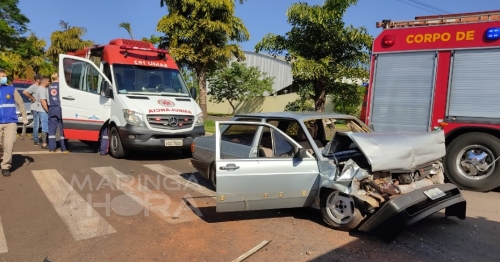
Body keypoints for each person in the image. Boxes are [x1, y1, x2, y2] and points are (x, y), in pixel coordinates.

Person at [0, 69, 28, 176]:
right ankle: (1, 156)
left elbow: (20, 103)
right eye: (2, 76)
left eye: (5, 76)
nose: (4, 78)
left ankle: (5, 166)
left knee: (9, 143)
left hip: (10, 121)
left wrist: (24, 117)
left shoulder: (11, 90)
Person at [46, 73, 69, 153]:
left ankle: (52, 148)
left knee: (52, 130)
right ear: (58, 77)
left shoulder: (49, 87)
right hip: (60, 108)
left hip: (52, 108)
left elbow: (47, 99)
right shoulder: (61, 87)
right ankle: (64, 148)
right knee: (62, 129)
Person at [22, 74, 41, 145]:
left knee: (38, 123)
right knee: (36, 124)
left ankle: (37, 137)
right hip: (35, 107)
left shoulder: (39, 87)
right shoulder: (34, 86)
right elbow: (25, 92)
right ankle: (36, 139)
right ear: (37, 80)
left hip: (39, 108)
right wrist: (32, 98)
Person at [36, 76, 50, 149]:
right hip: (43, 110)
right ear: (45, 82)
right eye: (48, 81)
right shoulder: (42, 90)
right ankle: (44, 143)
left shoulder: (40, 89)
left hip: (41, 110)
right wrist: (48, 110)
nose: (49, 82)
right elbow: (43, 101)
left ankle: (45, 142)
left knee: (44, 126)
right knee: (45, 127)